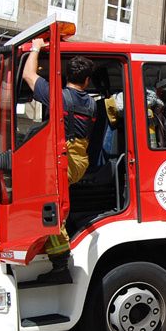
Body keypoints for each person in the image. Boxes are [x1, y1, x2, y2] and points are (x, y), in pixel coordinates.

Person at [23, 38, 98, 284]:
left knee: (49, 208)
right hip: (79, 161)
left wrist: (35, 49)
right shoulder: (92, 105)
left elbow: (28, 75)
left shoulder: (58, 96)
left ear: (67, 76)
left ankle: (59, 265)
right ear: (87, 81)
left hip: (61, 160)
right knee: (57, 205)